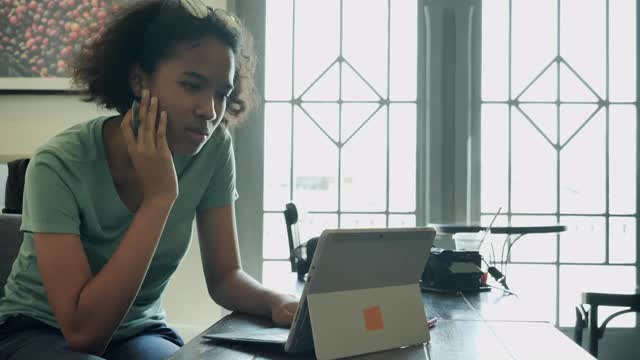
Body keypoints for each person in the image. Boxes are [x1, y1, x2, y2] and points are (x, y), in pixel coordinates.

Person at [0, 1, 299, 359]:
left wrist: (277, 301)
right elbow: (83, 333)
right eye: (192, 85)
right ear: (139, 81)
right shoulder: (58, 164)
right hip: (38, 329)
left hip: (139, 329)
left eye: (222, 92)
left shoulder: (213, 148)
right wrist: (158, 200)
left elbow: (225, 277)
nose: (210, 110)